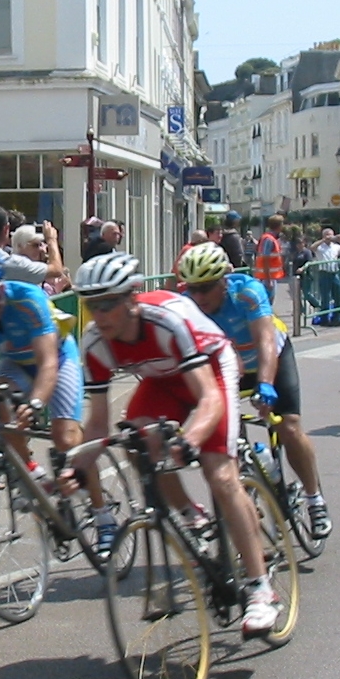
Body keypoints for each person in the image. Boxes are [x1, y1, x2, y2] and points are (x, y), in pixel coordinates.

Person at [74, 252, 282, 636]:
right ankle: (190, 513)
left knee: (220, 474)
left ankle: (260, 589)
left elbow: (209, 399)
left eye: (107, 304)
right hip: (162, 378)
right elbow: (98, 422)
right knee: (136, 438)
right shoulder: (94, 344)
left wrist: (189, 442)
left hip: (211, 368)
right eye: (91, 305)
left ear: (131, 299)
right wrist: (75, 469)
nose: (99, 315)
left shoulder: (167, 320)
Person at [0, 247, 117, 547]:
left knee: (65, 438)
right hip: (14, 361)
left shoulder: (28, 299)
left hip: (56, 357)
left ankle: (102, 514)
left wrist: (36, 403)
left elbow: (48, 365)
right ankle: (30, 473)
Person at [176, 243, 331, 539]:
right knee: (229, 441)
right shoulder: (188, 305)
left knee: (288, 426)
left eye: (206, 288)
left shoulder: (247, 292)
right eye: (193, 289)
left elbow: (265, 343)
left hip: (270, 358)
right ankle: (259, 469)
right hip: (229, 369)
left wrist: (265, 384)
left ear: (224, 279)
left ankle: (315, 499)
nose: (199, 297)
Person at [12, 223, 69, 294]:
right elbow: (56, 271)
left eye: (42, 244)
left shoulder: (38, 266)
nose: (43, 250)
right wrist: (55, 290)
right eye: (35, 245)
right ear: (20, 246)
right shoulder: (16, 266)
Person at [309, 225, 340, 325]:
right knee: (325, 297)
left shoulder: (336, 246)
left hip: (334, 273)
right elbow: (312, 248)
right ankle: (324, 319)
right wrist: (323, 240)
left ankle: (337, 317)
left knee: (339, 294)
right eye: (327, 235)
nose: (329, 237)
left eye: (330, 235)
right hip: (324, 273)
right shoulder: (320, 247)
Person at [252, 215, 287, 305]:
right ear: (279, 226)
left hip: (267, 277)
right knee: (266, 305)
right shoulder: (269, 239)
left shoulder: (269, 238)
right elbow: (265, 259)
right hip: (266, 278)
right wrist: (268, 280)